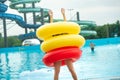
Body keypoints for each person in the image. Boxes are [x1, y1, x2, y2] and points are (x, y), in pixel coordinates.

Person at [48, 8, 78, 80]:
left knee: (71, 70)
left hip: (66, 51)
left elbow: (66, 24)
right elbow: (50, 28)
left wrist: (64, 14)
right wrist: (51, 17)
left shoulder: (64, 33)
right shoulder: (54, 34)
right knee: (57, 71)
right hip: (57, 52)